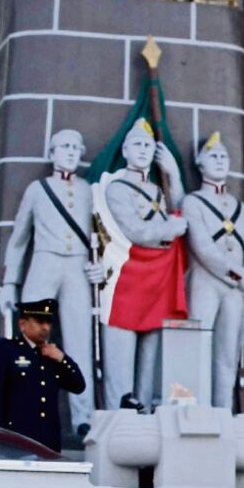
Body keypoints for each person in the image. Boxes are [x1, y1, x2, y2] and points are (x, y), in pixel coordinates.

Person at [0, 129, 102, 436]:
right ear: (52, 153)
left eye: (75, 147)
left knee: (80, 341)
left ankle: (83, 417)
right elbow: (19, 239)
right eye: (64, 146)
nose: (70, 151)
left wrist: (102, 268)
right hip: (44, 264)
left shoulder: (88, 190)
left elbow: (102, 235)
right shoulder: (38, 189)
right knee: (31, 342)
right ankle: (24, 411)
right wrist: (10, 283)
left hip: (77, 268)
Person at [100, 118, 187, 411]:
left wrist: (174, 175)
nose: (142, 150)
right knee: (120, 362)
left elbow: (181, 212)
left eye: (148, 145)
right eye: (136, 144)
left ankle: (145, 412)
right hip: (128, 278)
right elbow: (136, 231)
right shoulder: (117, 188)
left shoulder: (156, 190)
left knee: (149, 361)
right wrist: (170, 228)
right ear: (125, 150)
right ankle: (118, 416)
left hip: (157, 277)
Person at [182, 132, 244, 408]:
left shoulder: (241, 209)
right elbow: (203, 249)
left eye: (223, 156)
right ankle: (197, 409)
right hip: (205, 283)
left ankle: (223, 411)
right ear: (200, 163)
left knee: (228, 353)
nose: (219, 160)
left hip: (235, 291)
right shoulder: (193, 202)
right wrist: (238, 277)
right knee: (198, 349)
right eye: (213, 155)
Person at [0, 299, 86, 451]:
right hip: (17, 442)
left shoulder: (52, 355)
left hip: (48, 442)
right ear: (22, 324)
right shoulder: (7, 350)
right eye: (39, 322)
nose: (45, 327)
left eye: (48, 322)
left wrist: (62, 359)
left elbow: (78, 386)